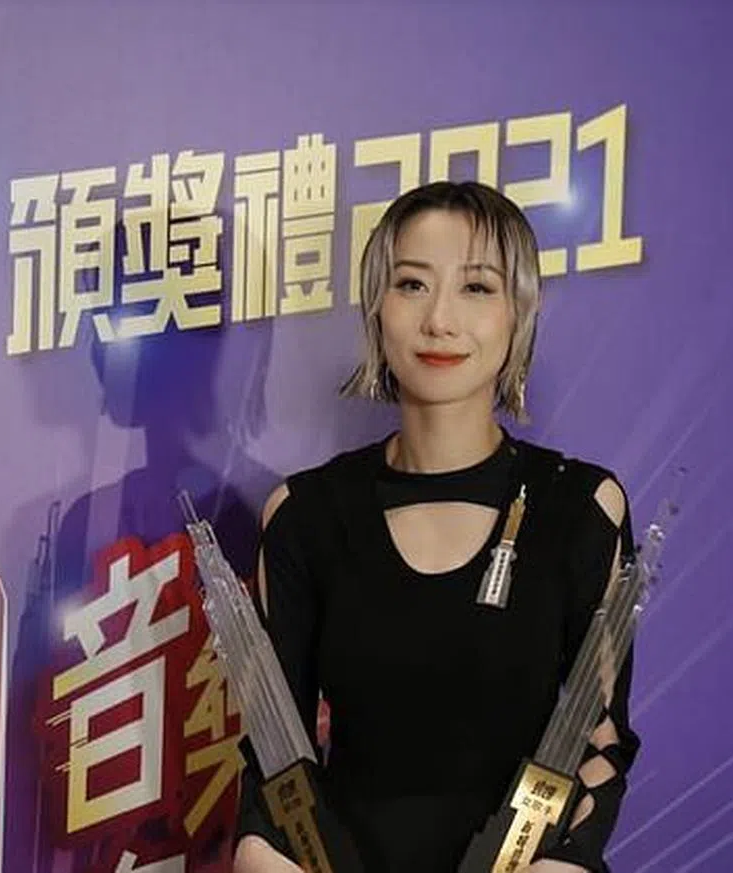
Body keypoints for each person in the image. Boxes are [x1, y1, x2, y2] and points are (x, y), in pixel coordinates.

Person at [231, 181, 640, 873]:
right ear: (376, 306)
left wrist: (565, 861)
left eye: (477, 287)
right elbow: (274, 759)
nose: (440, 319)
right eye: (412, 284)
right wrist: (259, 851)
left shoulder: (582, 508)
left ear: (520, 310)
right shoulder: (304, 516)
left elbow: (602, 742)